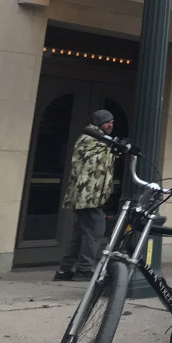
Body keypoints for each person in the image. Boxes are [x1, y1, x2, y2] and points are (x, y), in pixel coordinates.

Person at [54, 109, 116, 281]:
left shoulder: (97, 140)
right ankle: (83, 269)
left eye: (112, 122)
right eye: (106, 121)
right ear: (98, 123)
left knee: (81, 232)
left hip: (89, 196)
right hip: (88, 196)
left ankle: (65, 269)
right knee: (96, 229)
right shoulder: (91, 140)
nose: (110, 125)